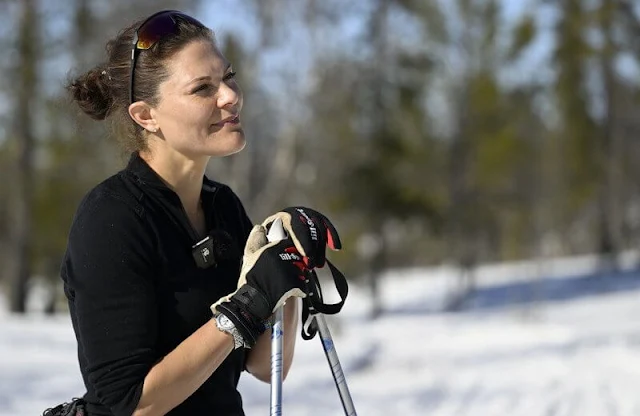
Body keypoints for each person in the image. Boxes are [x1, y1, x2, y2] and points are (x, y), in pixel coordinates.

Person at [46, 9, 343, 416]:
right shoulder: (111, 219)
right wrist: (243, 308)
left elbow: (266, 366)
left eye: (228, 76)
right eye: (203, 88)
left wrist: (285, 270)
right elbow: (130, 406)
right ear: (146, 115)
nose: (230, 95)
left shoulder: (223, 206)